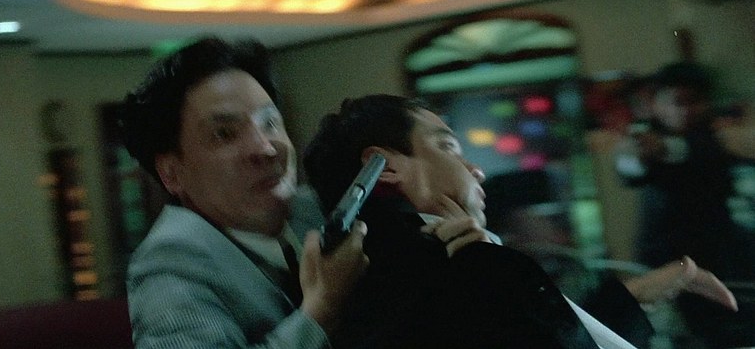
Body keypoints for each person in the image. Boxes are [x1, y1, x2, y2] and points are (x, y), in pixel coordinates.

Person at [303, 94, 738, 349]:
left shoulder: (393, 267)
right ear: (385, 166)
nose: (476, 170)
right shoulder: (449, 268)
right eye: (448, 147)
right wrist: (495, 267)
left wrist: (637, 293)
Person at [120, 37, 368, 348]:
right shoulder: (170, 264)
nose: (266, 149)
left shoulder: (317, 207)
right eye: (224, 134)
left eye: (270, 122)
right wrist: (322, 310)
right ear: (172, 173)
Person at [613, 61, 755, 347]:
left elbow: (703, 151)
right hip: (663, 263)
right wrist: (634, 156)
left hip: (719, 260)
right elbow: (630, 171)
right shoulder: (647, 135)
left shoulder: (715, 135)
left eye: (694, 102)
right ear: (658, 103)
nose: (685, 111)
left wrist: (665, 149)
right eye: (677, 102)